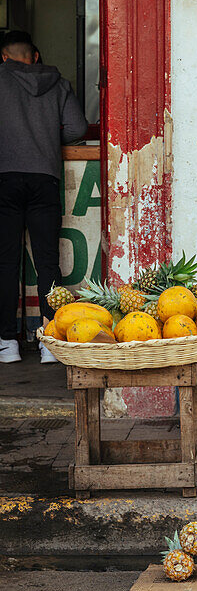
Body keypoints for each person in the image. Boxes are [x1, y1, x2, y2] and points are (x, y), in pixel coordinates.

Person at [0, 31, 87, 364]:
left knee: (6, 263)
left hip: (4, 179)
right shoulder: (58, 82)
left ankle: (7, 342)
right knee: (48, 261)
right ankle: (50, 341)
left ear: (4, 58)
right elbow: (78, 128)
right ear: (34, 56)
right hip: (45, 179)